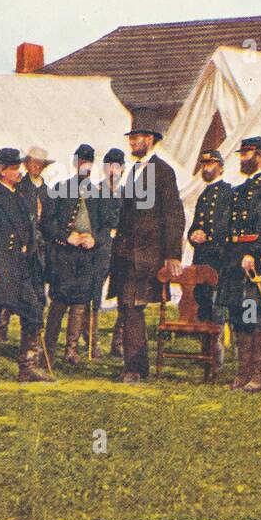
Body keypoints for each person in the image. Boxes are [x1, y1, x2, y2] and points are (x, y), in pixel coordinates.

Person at [108, 123, 185, 383]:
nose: (131, 143)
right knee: (127, 308)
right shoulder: (133, 171)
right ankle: (134, 367)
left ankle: (135, 370)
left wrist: (173, 254)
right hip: (125, 254)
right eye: (130, 138)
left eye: (136, 138)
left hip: (146, 255)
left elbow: (174, 214)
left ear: (150, 139)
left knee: (133, 309)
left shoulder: (163, 172)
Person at [0, 148, 52, 384]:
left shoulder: (20, 196)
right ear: (2, 170)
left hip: (21, 269)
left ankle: (27, 367)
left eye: (19, 168)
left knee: (33, 312)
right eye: (15, 168)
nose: (19, 172)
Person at [219, 136, 261, 392]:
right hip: (235, 259)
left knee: (256, 316)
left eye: (246, 154)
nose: (242, 159)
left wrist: (255, 253)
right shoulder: (238, 190)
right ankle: (242, 372)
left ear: (259, 156)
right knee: (239, 315)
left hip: (258, 261)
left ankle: (259, 374)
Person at [43, 144, 100, 366]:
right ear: (75, 163)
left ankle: (71, 350)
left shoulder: (98, 194)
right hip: (64, 255)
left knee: (80, 304)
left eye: (89, 161)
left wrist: (94, 239)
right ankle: (47, 348)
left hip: (87, 257)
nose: (85, 165)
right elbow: (47, 223)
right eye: (82, 161)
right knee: (59, 302)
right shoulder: (60, 188)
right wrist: (66, 236)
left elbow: (106, 226)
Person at [187, 149, 232, 368]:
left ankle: (217, 353)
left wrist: (209, 236)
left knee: (217, 306)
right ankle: (205, 352)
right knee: (202, 301)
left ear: (221, 167)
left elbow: (227, 227)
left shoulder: (227, 193)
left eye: (211, 165)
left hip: (218, 259)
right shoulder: (204, 195)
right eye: (204, 165)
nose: (206, 168)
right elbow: (196, 224)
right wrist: (193, 235)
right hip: (202, 258)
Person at [92, 147, 126, 358]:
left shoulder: (127, 195)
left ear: (122, 169)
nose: (112, 171)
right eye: (108, 167)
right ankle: (91, 342)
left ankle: (119, 342)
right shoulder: (94, 192)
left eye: (116, 167)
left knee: (124, 294)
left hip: (121, 251)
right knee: (94, 294)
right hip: (100, 249)